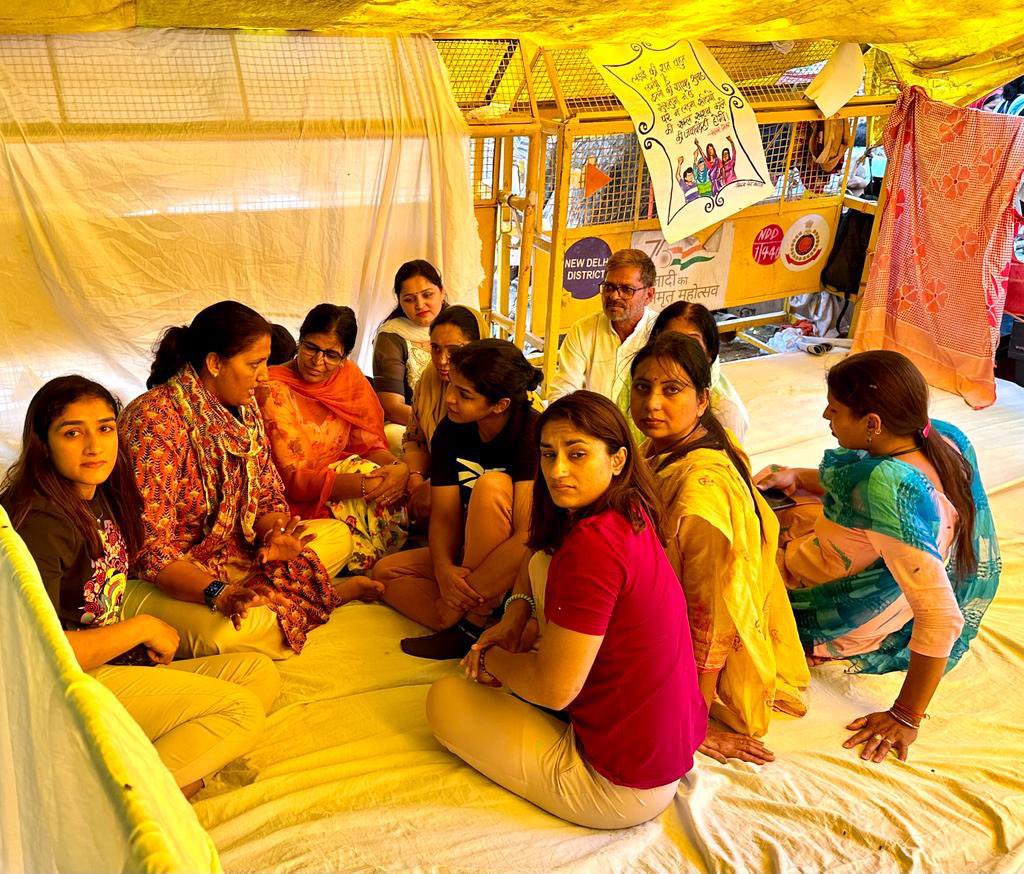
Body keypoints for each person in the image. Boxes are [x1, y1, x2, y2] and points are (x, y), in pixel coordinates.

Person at [426, 391, 706, 829]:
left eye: (577, 454)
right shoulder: (626, 507)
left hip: (621, 788)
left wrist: (490, 657)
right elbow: (535, 556)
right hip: (661, 755)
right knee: (540, 562)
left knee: (445, 699)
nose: (558, 471)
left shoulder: (594, 546)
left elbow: (554, 691)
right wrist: (514, 616)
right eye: (548, 454)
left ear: (617, 459)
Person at [1, 375, 280, 799]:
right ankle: (125, 802)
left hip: (108, 662)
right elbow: (43, 652)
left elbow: (107, 591)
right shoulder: (42, 523)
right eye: (73, 432)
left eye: (105, 427)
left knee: (255, 672)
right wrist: (142, 628)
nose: (94, 445)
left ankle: (172, 775)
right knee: (238, 712)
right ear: (43, 442)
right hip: (64, 686)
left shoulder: (100, 493)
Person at [755, 351, 1001, 763]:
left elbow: (941, 616)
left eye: (834, 410)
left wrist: (906, 716)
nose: (824, 416)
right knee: (792, 505)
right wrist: (797, 476)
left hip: (840, 620)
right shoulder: (939, 436)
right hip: (880, 583)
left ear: (872, 424)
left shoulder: (885, 488)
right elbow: (853, 486)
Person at [119, 301, 350, 660]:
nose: (265, 377)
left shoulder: (244, 409)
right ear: (214, 363)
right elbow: (150, 550)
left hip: (235, 558)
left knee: (339, 536)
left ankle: (270, 610)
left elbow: (269, 494)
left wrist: (274, 534)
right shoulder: (155, 421)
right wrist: (218, 593)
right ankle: (289, 606)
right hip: (170, 579)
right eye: (255, 364)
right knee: (221, 637)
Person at [630, 335, 808, 764]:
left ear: (703, 398)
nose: (653, 403)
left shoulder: (701, 492)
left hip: (697, 643)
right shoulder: (664, 444)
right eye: (642, 387)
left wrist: (696, 718)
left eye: (671, 390)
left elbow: (712, 610)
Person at [352, 339, 541, 660]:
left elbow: (527, 536)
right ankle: (454, 618)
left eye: (465, 394)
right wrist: (443, 571)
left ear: (500, 404)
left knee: (491, 486)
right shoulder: (452, 431)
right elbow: (445, 516)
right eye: (452, 387)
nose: (450, 399)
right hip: (472, 552)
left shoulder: (531, 433)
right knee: (384, 573)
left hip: (523, 565)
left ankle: (470, 622)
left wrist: (466, 591)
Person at [257, 304, 407, 587]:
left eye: (331, 355)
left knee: (402, 490)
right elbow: (293, 480)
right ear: (300, 340)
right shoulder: (274, 388)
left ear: (345, 357)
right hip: (295, 502)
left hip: (346, 481)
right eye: (311, 348)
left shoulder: (349, 379)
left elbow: (367, 445)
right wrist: (365, 485)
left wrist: (398, 469)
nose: (317, 361)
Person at [402, 305, 483, 523]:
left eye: (454, 351)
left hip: (484, 488)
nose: (442, 360)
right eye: (436, 348)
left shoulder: (495, 385)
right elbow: (415, 439)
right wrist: (415, 477)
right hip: (438, 475)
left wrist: (438, 483)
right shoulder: (429, 381)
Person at [547, 249, 658, 403]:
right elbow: (562, 391)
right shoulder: (583, 331)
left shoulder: (660, 332)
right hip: (591, 426)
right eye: (609, 287)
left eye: (627, 289)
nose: (614, 296)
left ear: (649, 295)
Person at [642, 300, 749, 443]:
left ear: (709, 354)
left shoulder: (723, 411)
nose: (680, 351)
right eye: (671, 340)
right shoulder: (643, 382)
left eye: (692, 343)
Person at [373, 260, 448, 450]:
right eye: (409, 299)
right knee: (392, 435)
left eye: (427, 295)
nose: (419, 305)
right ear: (399, 301)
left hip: (467, 414)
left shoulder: (461, 325)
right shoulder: (392, 335)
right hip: (416, 421)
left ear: (442, 292)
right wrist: (440, 426)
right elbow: (392, 407)